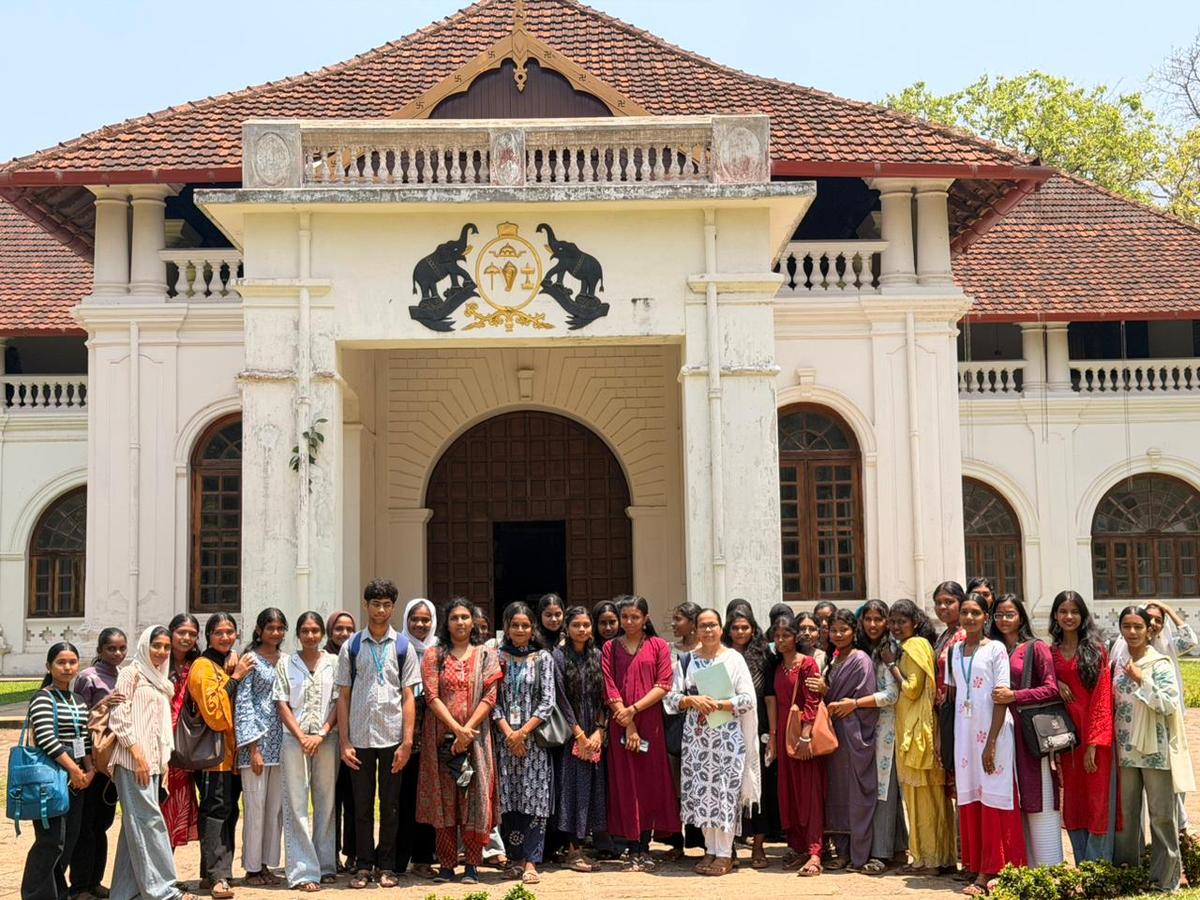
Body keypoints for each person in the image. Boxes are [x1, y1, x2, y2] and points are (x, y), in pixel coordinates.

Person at [335, 579, 420, 889]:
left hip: (392, 737)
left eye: (386, 604)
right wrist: (344, 741)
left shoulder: (403, 647)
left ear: (393, 608)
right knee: (361, 805)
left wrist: (407, 742)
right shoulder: (352, 646)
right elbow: (343, 696)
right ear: (365, 605)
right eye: (375, 604)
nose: (381, 610)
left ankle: (387, 866)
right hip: (359, 738)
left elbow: (408, 696)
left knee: (391, 805)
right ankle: (363, 865)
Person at [666, 609, 759, 877]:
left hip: (727, 739)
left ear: (721, 629)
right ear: (696, 629)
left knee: (724, 794)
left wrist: (720, 704)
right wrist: (690, 700)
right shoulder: (687, 661)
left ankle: (725, 853)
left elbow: (748, 699)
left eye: (712, 625)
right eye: (703, 626)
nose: (708, 630)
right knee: (702, 794)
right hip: (697, 741)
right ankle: (710, 849)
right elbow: (671, 698)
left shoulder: (733, 659)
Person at [417, 598, 502, 885]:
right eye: (454, 618)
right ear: (447, 622)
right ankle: (446, 865)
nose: (461, 622)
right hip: (440, 739)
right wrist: (456, 729)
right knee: (445, 800)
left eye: (465, 617)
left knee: (474, 799)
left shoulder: (486, 654)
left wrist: (467, 731)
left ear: (473, 622)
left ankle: (472, 865)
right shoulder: (434, 654)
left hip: (476, 739)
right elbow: (431, 696)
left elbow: (490, 696)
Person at [106, 626, 194, 900]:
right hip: (133, 762)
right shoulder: (131, 673)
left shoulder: (159, 679)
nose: (162, 651)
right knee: (150, 822)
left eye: (166, 647)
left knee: (135, 825)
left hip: (154, 764)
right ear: (145, 645)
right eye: (156, 645)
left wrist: (161, 764)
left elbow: (159, 727)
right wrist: (138, 756)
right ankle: (164, 891)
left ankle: (124, 893)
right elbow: (119, 717)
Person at [947, 593, 1025, 896]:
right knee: (972, 797)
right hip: (965, 734)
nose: (969, 618)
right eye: (965, 612)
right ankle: (976, 863)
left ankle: (993, 870)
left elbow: (1001, 696)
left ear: (986, 617)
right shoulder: (954, 651)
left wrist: (991, 743)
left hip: (994, 732)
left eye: (975, 613)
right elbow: (953, 695)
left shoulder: (995, 650)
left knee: (994, 797)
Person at [1113, 606, 1195, 892]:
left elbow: (1169, 703)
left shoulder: (1159, 663)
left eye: (1138, 626)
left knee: (1161, 817)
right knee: (1126, 816)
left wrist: (1141, 680)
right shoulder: (1118, 663)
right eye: (1127, 626)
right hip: (1124, 749)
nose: (1132, 632)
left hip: (1156, 752)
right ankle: (1127, 875)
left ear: (1150, 630)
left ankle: (1165, 879)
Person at [601, 594, 680, 870]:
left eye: (635, 617)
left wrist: (633, 710)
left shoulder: (658, 646)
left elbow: (664, 684)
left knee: (649, 784)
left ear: (645, 618)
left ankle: (644, 847)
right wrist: (628, 722)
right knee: (626, 784)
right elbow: (609, 686)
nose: (629, 621)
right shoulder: (610, 647)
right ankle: (631, 847)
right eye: (625, 617)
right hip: (621, 722)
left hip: (650, 723)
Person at [988, 594, 1062, 867]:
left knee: (1039, 794)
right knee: (1013, 798)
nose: (1003, 620)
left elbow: (1052, 688)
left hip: (1030, 734)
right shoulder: (991, 649)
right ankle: (1023, 869)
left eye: (1009, 614)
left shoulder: (1035, 647)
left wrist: (1015, 696)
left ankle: (1049, 868)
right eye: (998, 615)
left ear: (1021, 617)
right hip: (1001, 734)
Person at [883, 600, 955, 874]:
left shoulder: (913, 646)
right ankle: (938, 858)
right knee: (931, 800)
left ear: (915, 622)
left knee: (922, 800)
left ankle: (929, 860)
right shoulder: (919, 645)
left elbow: (912, 689)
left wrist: (891, 665)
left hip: (918, 732)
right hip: (920, 729)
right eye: (893, 621)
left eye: (902, 621)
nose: (896, 626)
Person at [22, 642, 94, 900]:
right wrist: (74, 769)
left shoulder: (78, 700)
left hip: (77, 778)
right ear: (49, 666)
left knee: (69, 839)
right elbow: (45, 738)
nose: (67, 667)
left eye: (72, 662)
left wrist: (89, 769)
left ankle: (57, 893)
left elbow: (83, 737)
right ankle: (35, 894)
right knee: (51, 840)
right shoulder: (43, 697)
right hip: (50, 775)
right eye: (61, 662)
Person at [1047, 591, 1115, 863]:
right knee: (1074, 801)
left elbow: (1103, 698)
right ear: (1055, 615)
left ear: (1083, 615)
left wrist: (1094, 744)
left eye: (1074, 611)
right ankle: (1081, 861)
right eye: (1063, 611)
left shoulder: (1096, 651)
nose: (1069, 616)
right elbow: (1041, 685)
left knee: (1097, 799)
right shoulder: (1051, 653)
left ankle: (1097, 865)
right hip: (1067, 740)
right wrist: (1056, 684)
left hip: (1095, 738)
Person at [190, 613, 254, 900]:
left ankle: (214, 873)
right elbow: (215, 713)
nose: (225, 637)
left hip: (230, 755)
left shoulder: (226, 663)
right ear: (208, 636)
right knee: (215, 812)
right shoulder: (203, 666)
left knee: (228, 811)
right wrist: (236, 677)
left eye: (230, 632)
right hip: (212, 757)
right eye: (219, 632)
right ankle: (217, 877)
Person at [275, 611, 339, 891]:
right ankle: (303, 871)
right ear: (298, 634)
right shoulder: (286, 663)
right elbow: (282, 703)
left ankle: (325, 866)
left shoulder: (334, 662)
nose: (310, 636)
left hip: (327, 739)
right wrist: (302, 737)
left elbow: (339, 701)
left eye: (315, 631)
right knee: (296, 803)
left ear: (322, 634)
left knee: (326, 802)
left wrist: (322, 733)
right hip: (294, 740)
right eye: (305, 631)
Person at [492, 602, 556, 885]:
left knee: (534, 798)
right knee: (509, 798)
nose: (520, 630)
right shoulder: (496, 657)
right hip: (504, 741)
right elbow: (491, 699)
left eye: (525, 625)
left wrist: (523, 733)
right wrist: (509, 733)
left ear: (533, 629)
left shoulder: (543, 658)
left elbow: (548, 701)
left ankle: (531, 861)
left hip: (534, 743)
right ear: (506, 628)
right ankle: (514, 859)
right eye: (515, 625)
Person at [69, 627, 127, 900]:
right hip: (91, 761)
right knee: (86, 826)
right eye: (111, 648)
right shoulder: (88, 678)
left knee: (102, 824)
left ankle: (95, 881)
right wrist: (104, 703)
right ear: (100, 650)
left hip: (112, 762)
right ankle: (79, 886)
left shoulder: (124, 676)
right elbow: (79, 720)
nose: (117, 653)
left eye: (122, 648)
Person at [765, 614, 824, 878]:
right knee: (789, 792)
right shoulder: (777, 667)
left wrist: (806, 735)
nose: (781, 640)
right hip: (784, 736)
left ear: (795, 637)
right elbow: (774, 703)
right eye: (777, 636)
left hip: (803, 735)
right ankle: (798, 847)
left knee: (809, 794)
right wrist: (774, 738)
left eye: (786, 635)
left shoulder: (807, 664)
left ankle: (815, 852)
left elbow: (813, 700)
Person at [235, 608, 288, 885]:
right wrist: (253, 748)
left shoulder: (287, 660)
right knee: (255, 808)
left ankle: (267, 864)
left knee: (274, 809)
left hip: (282, 746)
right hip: (256, 745)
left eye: (280, 628)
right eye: (270, 628)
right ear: (259, 630)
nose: (275, 633)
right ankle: (252, 868)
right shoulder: (250, 660)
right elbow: (243, 704)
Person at [822, 609, 877, 872]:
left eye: (843, 629)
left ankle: (859, 854)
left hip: (853, 736)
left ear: (854, 631)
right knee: (837, 794)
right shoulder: (832, 660)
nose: (838, 634)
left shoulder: (861, 660)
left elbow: (865, 698)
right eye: (834, 630)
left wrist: (846, 707)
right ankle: (842, 851)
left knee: (856, 794)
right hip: (834, 737)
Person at [553, 606, 607, 872]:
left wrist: (599, 730)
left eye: (586, 625)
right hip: (570, 733)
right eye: (576, 625)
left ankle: (583, 847)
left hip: (593, 732)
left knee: (592, 788)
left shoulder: (597, 655)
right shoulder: (558, 656)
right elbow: (560, 698)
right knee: (572, 788)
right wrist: (579, 735)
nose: (582, 629)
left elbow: (605, 697)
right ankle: (572, 850)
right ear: (567, 627)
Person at [853, 599, 906, 873]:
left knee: (883, 789)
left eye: (878, 619)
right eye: (868, 619)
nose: (872, 624)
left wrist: (856, 703)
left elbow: (891, 695)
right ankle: (898, 848)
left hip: (886, 728)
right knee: (880, 788)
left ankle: (880, 853)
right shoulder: (861, 649)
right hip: (866, 729)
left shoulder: (889, 649)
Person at [723, 605, 776, 868]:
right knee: (729, 789)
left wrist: (772, 734)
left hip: (758, 730)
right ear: (728, 630)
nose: (740, 632)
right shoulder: (721, 656)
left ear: (753, 630)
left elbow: (769, 698)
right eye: (735, 627)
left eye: (745, 627)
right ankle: (728, 847)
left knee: (759, 788)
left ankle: (758, 847)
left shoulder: (765, 657)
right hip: (726, 730)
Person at [392, 599, 439, 878]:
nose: (420, 624)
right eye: (415, 619)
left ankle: (424, 857)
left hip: (434, 734)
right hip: (403, 733)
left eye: (425, 619)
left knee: (429, 797)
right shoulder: (398, 648)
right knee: (403, 796)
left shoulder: (440, 650)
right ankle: (397, 858)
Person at [663, 601, 703, 861]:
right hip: (675, 720)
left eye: (679, 619)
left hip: (702, 723)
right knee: (675, 783)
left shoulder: (707, 651)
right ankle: (675, 840)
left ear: (692, 622)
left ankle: (702, 840)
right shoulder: (668, 650)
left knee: (699, 781)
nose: (673, 624)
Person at [161, 614, 200, 850]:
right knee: (158, 807)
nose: (186, 638)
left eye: (192, 634)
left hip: (183, 748)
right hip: (158, 745)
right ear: (171, 632)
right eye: (182, 632)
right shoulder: (157, 662)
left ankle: (167, 867)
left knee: (176, 808)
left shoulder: (196, 665)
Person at [323, 610, 356, 872]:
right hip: (328, 739)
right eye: (339, 629)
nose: (344, 634)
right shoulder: (321, 658)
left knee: (355, 798)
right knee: (330, 800)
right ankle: (329, 854)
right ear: (329, 631)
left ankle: (353, 853)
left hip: (355, 737)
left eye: (349, 629)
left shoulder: (358, 654)